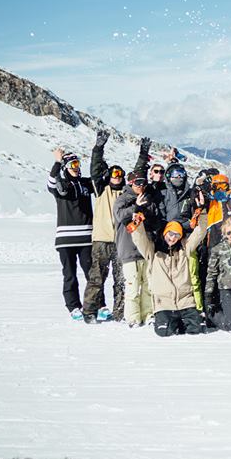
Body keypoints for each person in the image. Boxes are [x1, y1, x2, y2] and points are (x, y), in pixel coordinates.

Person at [82, 129, 141, 323]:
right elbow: (95, 169)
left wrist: (142, 155)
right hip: (101, 240)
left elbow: (137, 177)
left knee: (121, 279)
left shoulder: (126, 193)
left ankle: (120, 312)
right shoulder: (101, 189)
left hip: (120, 242)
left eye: (120, 174)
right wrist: (98, 148)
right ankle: (89, 311)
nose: (117, 176)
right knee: (96, 278)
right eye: (114, 173)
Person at [130, 215, 208, 337]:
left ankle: (185, 320)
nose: (172, 238)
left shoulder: (184, 249)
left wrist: (202, 212)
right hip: (163, 303)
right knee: (165, 332)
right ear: (165, 233)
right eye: (170, 234)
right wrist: (137, 224)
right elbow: (139, 239)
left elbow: (200, 232)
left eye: (177, 235)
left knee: (196, 330)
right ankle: (173, 322)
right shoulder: (152, 251)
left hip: (185, 301)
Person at [48, 148, 95, 319]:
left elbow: (99, 179)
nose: (76, 167)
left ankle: (96, 304)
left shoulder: (84, 184)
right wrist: (57, 162)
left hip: (86, 238)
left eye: (78, 164)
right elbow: (52, 182)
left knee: (92, 274)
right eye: (72, 164)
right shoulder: (61, 185)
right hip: (66, 239)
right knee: (70, 275)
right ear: (65, 167)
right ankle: (73, 306)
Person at [114, 172, 158, 327]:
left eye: (143, 183)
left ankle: (148, 314)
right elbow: (120, 216)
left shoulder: (148, 199)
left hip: (145, 247)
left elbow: (153, 218)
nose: (141, 186)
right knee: (132, 285)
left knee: (148, 284)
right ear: (131, 183)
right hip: (128, 248)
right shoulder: (123, 199)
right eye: (137, 183)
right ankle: (132, 317)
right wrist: (136, 207)